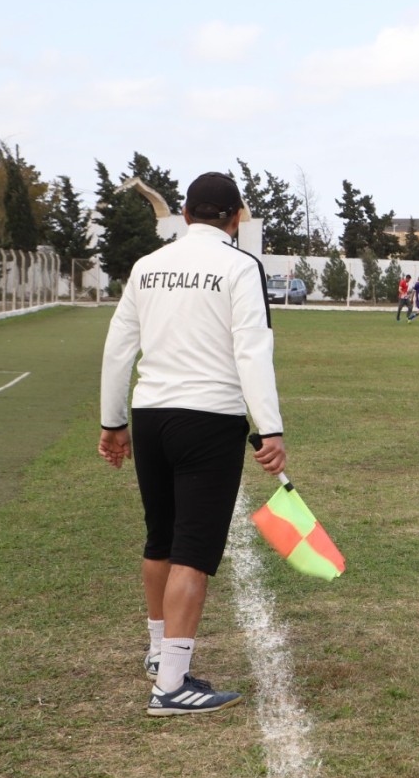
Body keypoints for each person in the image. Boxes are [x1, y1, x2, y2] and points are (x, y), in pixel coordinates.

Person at [98, 171, 286, 716]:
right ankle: (172, 686)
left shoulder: (147, 266)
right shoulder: (239, 265)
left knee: (160, 539)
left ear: (184, 214)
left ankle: (160, 654)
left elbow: (118, 349)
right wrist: (269, 428)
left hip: (151, 414)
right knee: (193, 553)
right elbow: (252, 350)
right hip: (208, 420)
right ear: (235, 218)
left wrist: (113, 422)